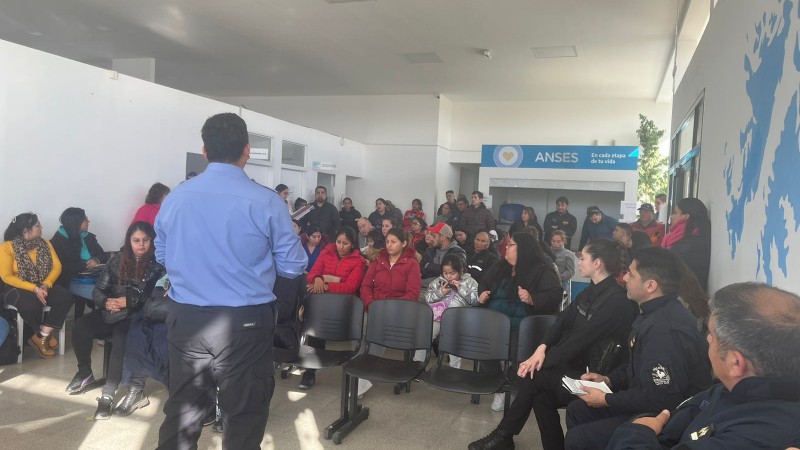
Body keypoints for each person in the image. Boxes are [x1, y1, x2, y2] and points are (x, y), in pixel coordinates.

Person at [154, 112, 307, 449]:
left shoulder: (177, 197)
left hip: (187, 319)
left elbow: (162, 254)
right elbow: (294, 266)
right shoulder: (267, 201)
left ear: (205, 151)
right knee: (244, 416)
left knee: (183, 413)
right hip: (245, 323)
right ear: (247, 151)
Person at [469, 239, 636, 450]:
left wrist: (538, 362)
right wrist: (541, 349)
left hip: (600, 378)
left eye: (583, 258)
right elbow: (561, 321)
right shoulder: (591, 291)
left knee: (535, 376)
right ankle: (528, 441)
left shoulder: (616, 302)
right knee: (540, 394)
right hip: (578, 367)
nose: (579, 262)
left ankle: (503, 435)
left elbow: (579, 339)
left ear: (597, 263)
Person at [608, 282, 800, 450]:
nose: (707, 339)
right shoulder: (733, 389)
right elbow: (682, 417)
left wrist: (636, 433)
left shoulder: (752, 438)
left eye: (712, 335)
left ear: (736, 363)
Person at [563, 247, 712, 450]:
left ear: (650, 285)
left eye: (631, 274)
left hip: (667, 415)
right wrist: (609, 380)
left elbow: (661, 397)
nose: (624, 278)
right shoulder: (653, 312)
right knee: (577, 410)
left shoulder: (664, 330)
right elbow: (641, 368)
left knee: (578, 439)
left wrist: (607, 399)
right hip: (649, 397)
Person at [66, 222, 166, 419]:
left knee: (121, 338)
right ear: (129, 241)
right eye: (136, 240)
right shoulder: (117, 260)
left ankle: (108, 395)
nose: (141, 245)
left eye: (146, 240)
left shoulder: (157, 264)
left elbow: (155, 297)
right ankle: (85, 373)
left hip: (138, 315)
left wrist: (126, 301)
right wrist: (105, 302)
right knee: (80, 328)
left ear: (152, 241)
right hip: (111, 312)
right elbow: (98, 290)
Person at [477, 232, 563, 411]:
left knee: (517, 351)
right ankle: (500, 387)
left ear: (523, 249)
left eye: (511, 245)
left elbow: (554, 295)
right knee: (483, 348)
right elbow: (484, 281)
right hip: (495, 323)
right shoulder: (501, 266)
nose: (506, 248)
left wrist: (533, 299)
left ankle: (515, 388)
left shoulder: (541, 269)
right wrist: (483, 293)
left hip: (523, 327)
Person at [300, 227, 367, 390]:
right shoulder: (325, 253)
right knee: (315, 328)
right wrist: (317, 278)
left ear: (352, 244)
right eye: (338, 242)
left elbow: (350, 287)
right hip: (323, 303)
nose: (341, 246)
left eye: (346, 243)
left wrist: (324, 283)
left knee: (320, 320)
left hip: (344, 305)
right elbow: (312, 274)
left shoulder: (358, 261)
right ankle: (310, 371)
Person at [0, 213, 74, 358]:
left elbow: (57, 266)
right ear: (26, 230)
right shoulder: (7, 247)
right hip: (16, 288)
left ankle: (41, 335)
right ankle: (38, 333)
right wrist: (34, 288)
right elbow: (6, 276)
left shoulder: (45, 243)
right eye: (37, 225)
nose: (41, 228)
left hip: (42, 285)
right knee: (31, 303)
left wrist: (46, 285)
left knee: (65, 296)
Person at [358, 227, 421, 396]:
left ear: (404, 243)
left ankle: (362, 377)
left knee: (377, 331)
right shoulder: (378, 261)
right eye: (387, 242)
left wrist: (388, 308)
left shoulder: (411, 264)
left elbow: (412, 294)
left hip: (398, 313)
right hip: (374, 308)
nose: (389, 245)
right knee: (359, 332)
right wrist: (372, 305)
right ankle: (360, 374)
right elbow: (365, 286)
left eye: (394, 242)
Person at [414, 254, 479, 369]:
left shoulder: (470, 282)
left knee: (453, 344)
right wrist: (440, 292)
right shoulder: (438, 281)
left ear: (461, 270)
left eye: (452, 273)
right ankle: (417, 365)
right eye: (445, 273)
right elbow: (428, 298)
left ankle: (454, 369)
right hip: (437, 317)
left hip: (456, 318)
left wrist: (461, 289)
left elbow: (475, 301)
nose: (449, 276)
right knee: (425, 336)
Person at [50, 207, 108, 290]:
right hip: (70, 280)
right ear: (76, 223)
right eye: (85, 220)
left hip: (92, 275)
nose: (88, 221)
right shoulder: (58, 241)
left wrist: (96, 260)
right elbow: (66, 267)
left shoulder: (87, 236)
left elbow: (102, 255)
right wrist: (87, 265)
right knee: (102, 289)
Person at [661, 197, 711, 291]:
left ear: (685, 216)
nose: (671, 216)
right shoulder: (686, 238)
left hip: (685, 296)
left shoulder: (691, 244)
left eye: (675, 213)